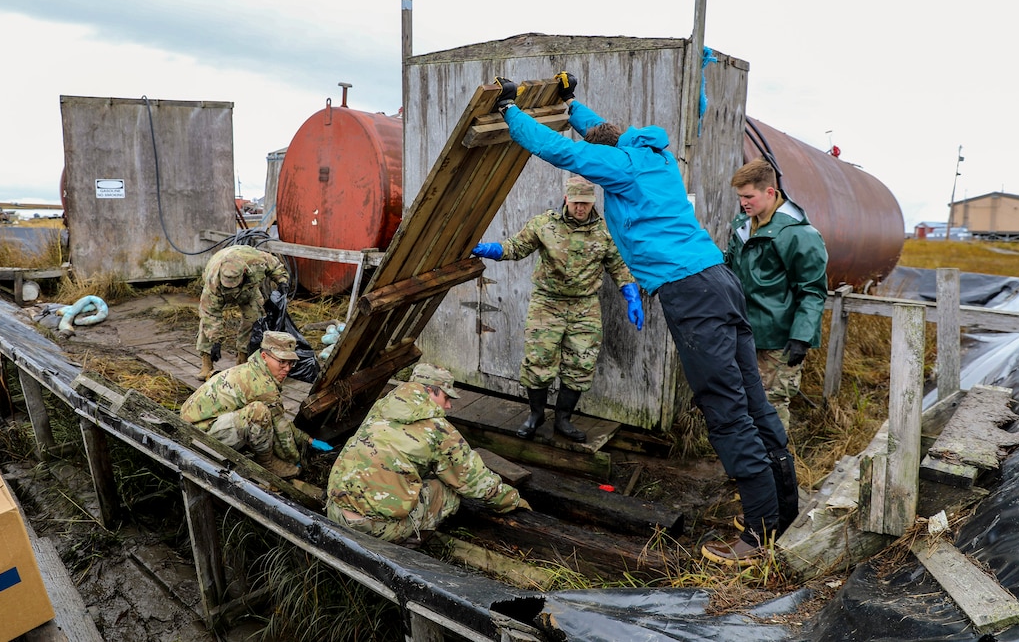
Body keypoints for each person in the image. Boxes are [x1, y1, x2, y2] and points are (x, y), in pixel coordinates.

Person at [495, 73, 797, 566]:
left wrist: (511, 111)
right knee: (754, 402)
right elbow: (600, 131)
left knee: (725, 412)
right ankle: (782, 511)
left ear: (623, 147)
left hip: (691, 295)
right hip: (719, 282)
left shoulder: (626, 165)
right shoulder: (658, 158)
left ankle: (758, 535)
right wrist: (572, 105)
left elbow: (562, 152)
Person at [472, 175, 643, 443]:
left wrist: (631, 294)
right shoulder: (545, 225)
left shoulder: (604, 232)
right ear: (566, 199)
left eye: (585, 204)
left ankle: (563, 419)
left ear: (592, 202)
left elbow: (618, 266)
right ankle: (536, 414)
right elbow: (517, 247)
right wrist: (491, 249)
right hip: (547, 302)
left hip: (584, 305)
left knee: (581, 363)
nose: (580, 208)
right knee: (538, 360)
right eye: (576, 202)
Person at [326, 363, 530, 546]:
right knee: (449, 491)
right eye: (447, 397)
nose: (449, 405)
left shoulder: (381, 408)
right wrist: (515, 501)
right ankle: (410, 544)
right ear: (431, 391)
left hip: (335, 512)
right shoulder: (438, 429)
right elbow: (477, 484)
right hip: (375, 529)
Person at [727, 159, 829, 432]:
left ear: (770, 192)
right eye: (740, 197)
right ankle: (750, 467)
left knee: (771, 405)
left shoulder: (799, 235)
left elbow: (812, 290)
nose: (744, 203)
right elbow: (730, 267)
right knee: (743, 402)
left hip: (779, 339)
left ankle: (776, 470)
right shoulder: (743, 226)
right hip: (745, 331)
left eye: (749, 196)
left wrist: (801, 337)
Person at [180, 330, 309, 479]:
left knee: (260, 417)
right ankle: (267, 463)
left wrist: (306, 439)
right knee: (258, 412)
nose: (287, 368)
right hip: (198, 437)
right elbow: (281, 430)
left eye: (291, 363)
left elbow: (278, 419)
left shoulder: (250, 369)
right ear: (264, 356)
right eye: (281, 362)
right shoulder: (263, 386)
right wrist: (295, 460)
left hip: (194, 425)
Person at [196, 244, 290, 380]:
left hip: (248, 291)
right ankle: (206, 363)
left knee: (255, 319)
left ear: (244, 272)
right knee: (206, 323)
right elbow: (210, 315)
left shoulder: (257, 260)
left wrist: (282, 282)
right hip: (218, 294)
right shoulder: (213, 283)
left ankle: (243, 359)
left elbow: (275, 266)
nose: (230, 286)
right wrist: (216, 341)